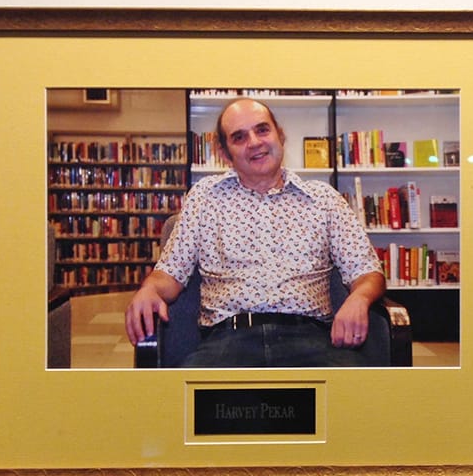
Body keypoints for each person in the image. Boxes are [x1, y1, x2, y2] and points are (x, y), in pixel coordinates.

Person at [124, 96, 386, 366]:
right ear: (225, 154)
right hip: (227, 341)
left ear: (280, 135)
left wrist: (360, 298)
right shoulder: (205, 197)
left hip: (311, 339)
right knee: (186, 400)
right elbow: (170, 274)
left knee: (357, 399)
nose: (255, 143)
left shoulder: (324, 199)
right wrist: (149, 289)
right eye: (239, 137)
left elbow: (368, 272)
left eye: (262, 130)